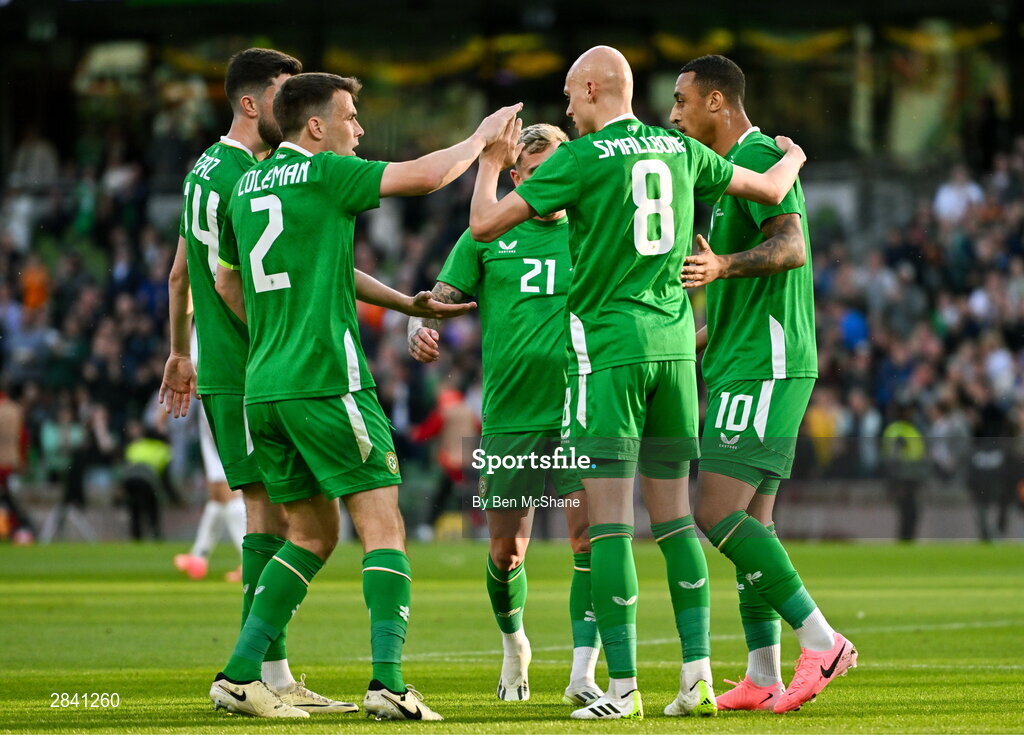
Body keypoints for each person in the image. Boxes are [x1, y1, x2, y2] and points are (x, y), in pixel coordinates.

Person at [469, 46, 805, 720]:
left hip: (611, 355)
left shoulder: (577, 158)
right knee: (678, 520)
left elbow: (483, 224)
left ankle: (621, 691)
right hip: (677, 353)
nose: (566, 108)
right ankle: (698, 679)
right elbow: (770, 193)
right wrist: (795, 157)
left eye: (569, 93)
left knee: (613, 528)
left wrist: (486, 163)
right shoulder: (676, 150)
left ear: (593, 87)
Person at [211, 71, 519, 719]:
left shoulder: (247, 186)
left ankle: (240, 675)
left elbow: (228, 278)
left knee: (313, 532)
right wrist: (481, 139)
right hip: (327, 380)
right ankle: (388, 681)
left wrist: (396, 302)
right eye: (351, 116)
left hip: (265, 387)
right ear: (316, 126)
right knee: (383, 525)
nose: (360, 129)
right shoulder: (325, 174)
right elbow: (427, 175)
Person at [158, 47, 354, 715]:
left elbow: (179, 273)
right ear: (251, 104)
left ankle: (271, 671)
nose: (293, 105)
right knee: (271, 517)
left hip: (225, 363)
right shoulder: (244, 173)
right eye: (281, 92)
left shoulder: (203, 170)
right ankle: (252, 677)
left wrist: (179, 351)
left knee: (271, 514)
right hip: (250, 367)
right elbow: (219, 278)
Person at [670, 54, 855, 714]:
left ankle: (823, 640)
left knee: (714, 511)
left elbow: (791, 246)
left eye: (682, 101)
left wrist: (721, 264)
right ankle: (762, 672)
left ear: (718, 101)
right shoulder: (729, 179)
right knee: (752, 519)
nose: (673, 114)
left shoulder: (758, 159)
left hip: (766, 362)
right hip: (740, 358)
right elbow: (731, 297)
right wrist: (682, 341)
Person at [408, 123, 603, 707]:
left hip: (579, 409)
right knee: (505, 551)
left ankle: (583, 672)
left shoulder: (594, 231)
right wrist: (423, 324)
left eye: (558, 176)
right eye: (535, 177)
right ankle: (515, 643)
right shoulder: (486, 234)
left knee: (588, 541)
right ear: (516, 178)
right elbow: (439, 297)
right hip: (509, 416)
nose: (547, 188)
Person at [172, 331, 246, 582]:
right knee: (217, 490)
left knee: (227, 486)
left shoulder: (208, 311)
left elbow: (191, 365)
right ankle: (199, 555)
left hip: (223, 397)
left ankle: (249, 558)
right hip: (219, 398)